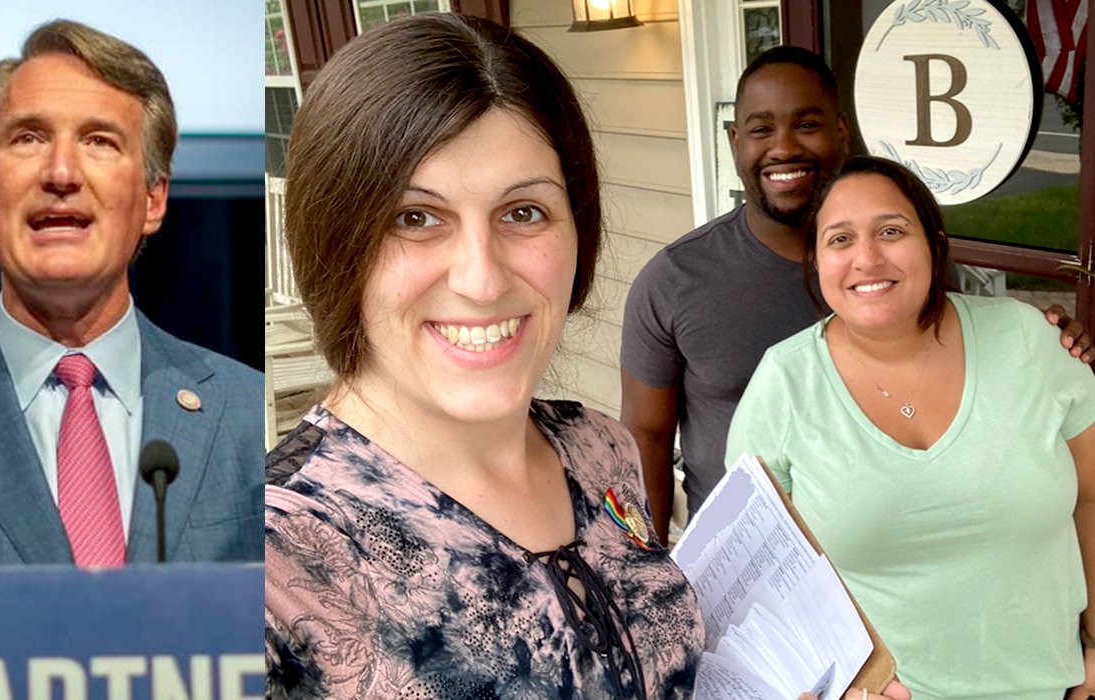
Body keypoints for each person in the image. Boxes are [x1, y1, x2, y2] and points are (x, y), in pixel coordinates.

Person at [265, 14, 909, 700]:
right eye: (413, 218)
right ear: (334, 240)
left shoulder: (597, 450)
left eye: (523, 212)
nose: (481, 279)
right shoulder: (269, 563)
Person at [620, 46, 1091, 542]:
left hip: (896, 541)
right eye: (761, 130)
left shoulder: (904, 272)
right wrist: (647, 571)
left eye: (806, 124)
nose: (783, 147)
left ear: (840, 131)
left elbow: (973, 360)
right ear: (735, 141)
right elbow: (645, 435)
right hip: (749, 561)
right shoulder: (675, 280)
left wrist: (1052, 346)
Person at [0, 20, 264, 567]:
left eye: (99, 141)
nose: (62, 172)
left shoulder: (252, 419)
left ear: (153, 199)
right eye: (29, 137)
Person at [725, 155, 1095, 700]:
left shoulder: (1032, 342)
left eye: (891, 231)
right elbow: (752, 584)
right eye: (840, 239)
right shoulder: (783, 387)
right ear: (816, 259)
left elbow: (1091, 499)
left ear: (933, 243)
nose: (867, 259)